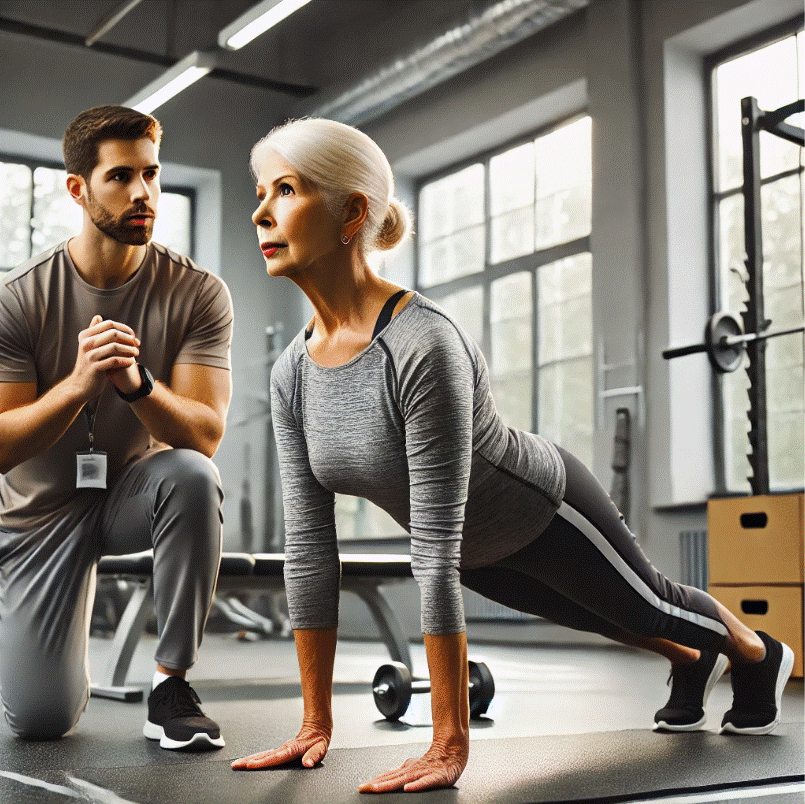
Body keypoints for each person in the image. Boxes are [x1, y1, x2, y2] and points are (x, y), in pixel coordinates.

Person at [231, 117, 794, 793]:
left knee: (646, 604)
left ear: (351, 212)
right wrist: (313, 725)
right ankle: (689, 661)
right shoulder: (291, 372)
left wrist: (448, 743)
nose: (260, 210)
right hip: (479, 553)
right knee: (602, 618)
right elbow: (309, 547)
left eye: (284, 189)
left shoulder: (421, 345)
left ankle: (759, 655)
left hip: (543, 506)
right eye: (260, 190)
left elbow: (431, 550)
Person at [0, 105, 233, 750]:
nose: (143, 194)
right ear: (78, 187)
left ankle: (170, 684)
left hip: (132, 494)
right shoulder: (18, 299)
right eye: (121, 177)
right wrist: (78, 385)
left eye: (152, 175)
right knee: (41, 721)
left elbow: (206, 433)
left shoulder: (197, 293)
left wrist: (138, 385)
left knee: (191, 474)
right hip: (39, 514)